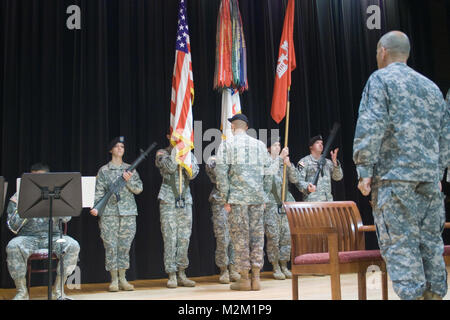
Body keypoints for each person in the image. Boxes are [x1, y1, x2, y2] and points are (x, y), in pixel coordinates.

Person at [353, 31, 450, 300]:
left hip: (394, 181)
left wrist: (364, 171)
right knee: (431, 244)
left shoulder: (381, 79)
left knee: (401, 245)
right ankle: (434, 295)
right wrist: (438, 171)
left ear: (382, 51)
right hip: (429, 181)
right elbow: (446, 135)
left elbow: (370, 127)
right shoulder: (431, 87)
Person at [215, 114, 277, 291]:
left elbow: (220, 173)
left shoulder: (227, 145)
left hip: (237, 199)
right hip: (257, 198)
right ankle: (256, 277)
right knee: (257, 237)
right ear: (247, 127)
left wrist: (225, 197)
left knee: (240, 238)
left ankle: (244, 278)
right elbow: (269, 172)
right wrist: (264, 195)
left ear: (233, 128)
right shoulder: (259, 145)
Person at [6, 163, 80, 300]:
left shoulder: (57, 193)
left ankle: (58, 291)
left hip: (53, 236)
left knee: (73, 245)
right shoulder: (19, 195)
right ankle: (22, 292)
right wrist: (27, 207)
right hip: (28, 237)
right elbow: (12, 226)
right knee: (12, 246)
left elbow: (67, 218)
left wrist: (57, 202)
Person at [90, 136, 143, 292]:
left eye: (122, 146)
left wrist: (129, 180)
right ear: (111, 150)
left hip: (128, 213)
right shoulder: (104, 171)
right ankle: (113, 279)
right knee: (111, 246)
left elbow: (139, 189)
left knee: (124, 246)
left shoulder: (131, 168)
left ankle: (123, 278)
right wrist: (96, 208)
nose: (120, 148)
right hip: (109, 214)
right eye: (117, 146)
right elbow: (99, 192)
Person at [155, 131, 199, 288]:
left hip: (185, 200)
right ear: (168, 137)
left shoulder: (188, 154)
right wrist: (177, 153)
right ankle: (172, 274)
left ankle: (182, 273)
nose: (178, 139)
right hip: (168, 200)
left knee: (184, 238)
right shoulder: (162, 153)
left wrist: (185, 156)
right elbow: (170, 167)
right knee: (170, 238)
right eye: (174, 136)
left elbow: (194, 173)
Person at [263, 137, 295, 280]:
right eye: (275, 145)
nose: (278, 147)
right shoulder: (266, 163)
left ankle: (284, 265)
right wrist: (278, 159)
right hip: (271, 205)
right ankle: (275, 266)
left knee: (286, 237)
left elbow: (295, 179)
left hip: (285, 205)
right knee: (273, 237)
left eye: (279, 145)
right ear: (268, 148)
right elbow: (267, 181)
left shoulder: (283, 164)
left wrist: (289, 165)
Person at [205, 156, 240, 284]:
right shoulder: (213, 159)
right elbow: (215, 170)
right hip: (220, 200)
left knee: (235, 237)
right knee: (223, 237)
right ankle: (223, 269)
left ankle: (233, 268)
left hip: (236, 200)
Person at [293, 135, 343, 201]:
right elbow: (298, 180)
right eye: (317, 143)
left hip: (328, 203)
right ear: (311, 147)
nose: (320, 145)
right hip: (312, 203)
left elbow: (338, 177)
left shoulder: (328, 162)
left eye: (321, 143)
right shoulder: (302, 162)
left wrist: (335, 163)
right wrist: (307, 187)